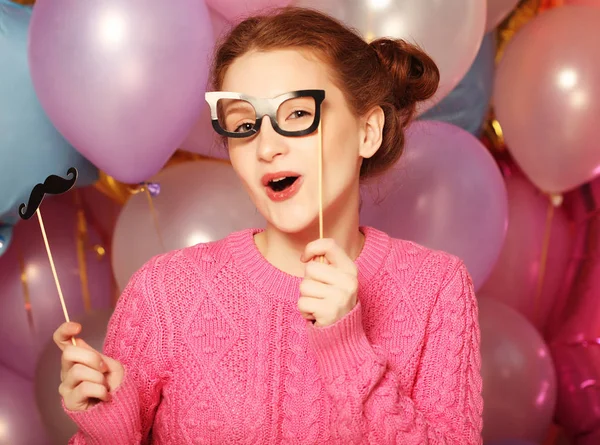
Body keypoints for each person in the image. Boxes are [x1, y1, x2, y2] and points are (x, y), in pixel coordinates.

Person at [53, 6, 483, 444]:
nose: (266, 147)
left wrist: (346, 350)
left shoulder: (437, 289)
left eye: (297, 114)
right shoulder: (165, 290)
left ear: (367, 131)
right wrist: (111, 429)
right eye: (243, 124)